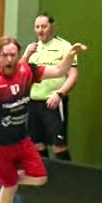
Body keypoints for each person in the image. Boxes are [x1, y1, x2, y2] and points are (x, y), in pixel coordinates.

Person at [0, 36, 87, 203]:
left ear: (18, 55)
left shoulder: (27, 71)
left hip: (21, 139)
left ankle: (3, 179)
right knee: (10, 184)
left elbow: (59, 71)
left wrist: (70, 55)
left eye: (13, 55)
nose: (9, 59)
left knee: (40, 177)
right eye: (4, 55)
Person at [21, 13, 78, 161]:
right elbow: (19, 73)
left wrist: (59, 94)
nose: (40, 30)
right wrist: (26, 54)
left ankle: (67, 175)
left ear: (52, 27)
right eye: (37, 27)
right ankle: (44, 175)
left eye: (44, 26)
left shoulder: (64, 46)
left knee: (59, 146)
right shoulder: (33, 48)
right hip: (33, 102)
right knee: (37, 145)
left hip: (53, 103)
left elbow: (72, 75)